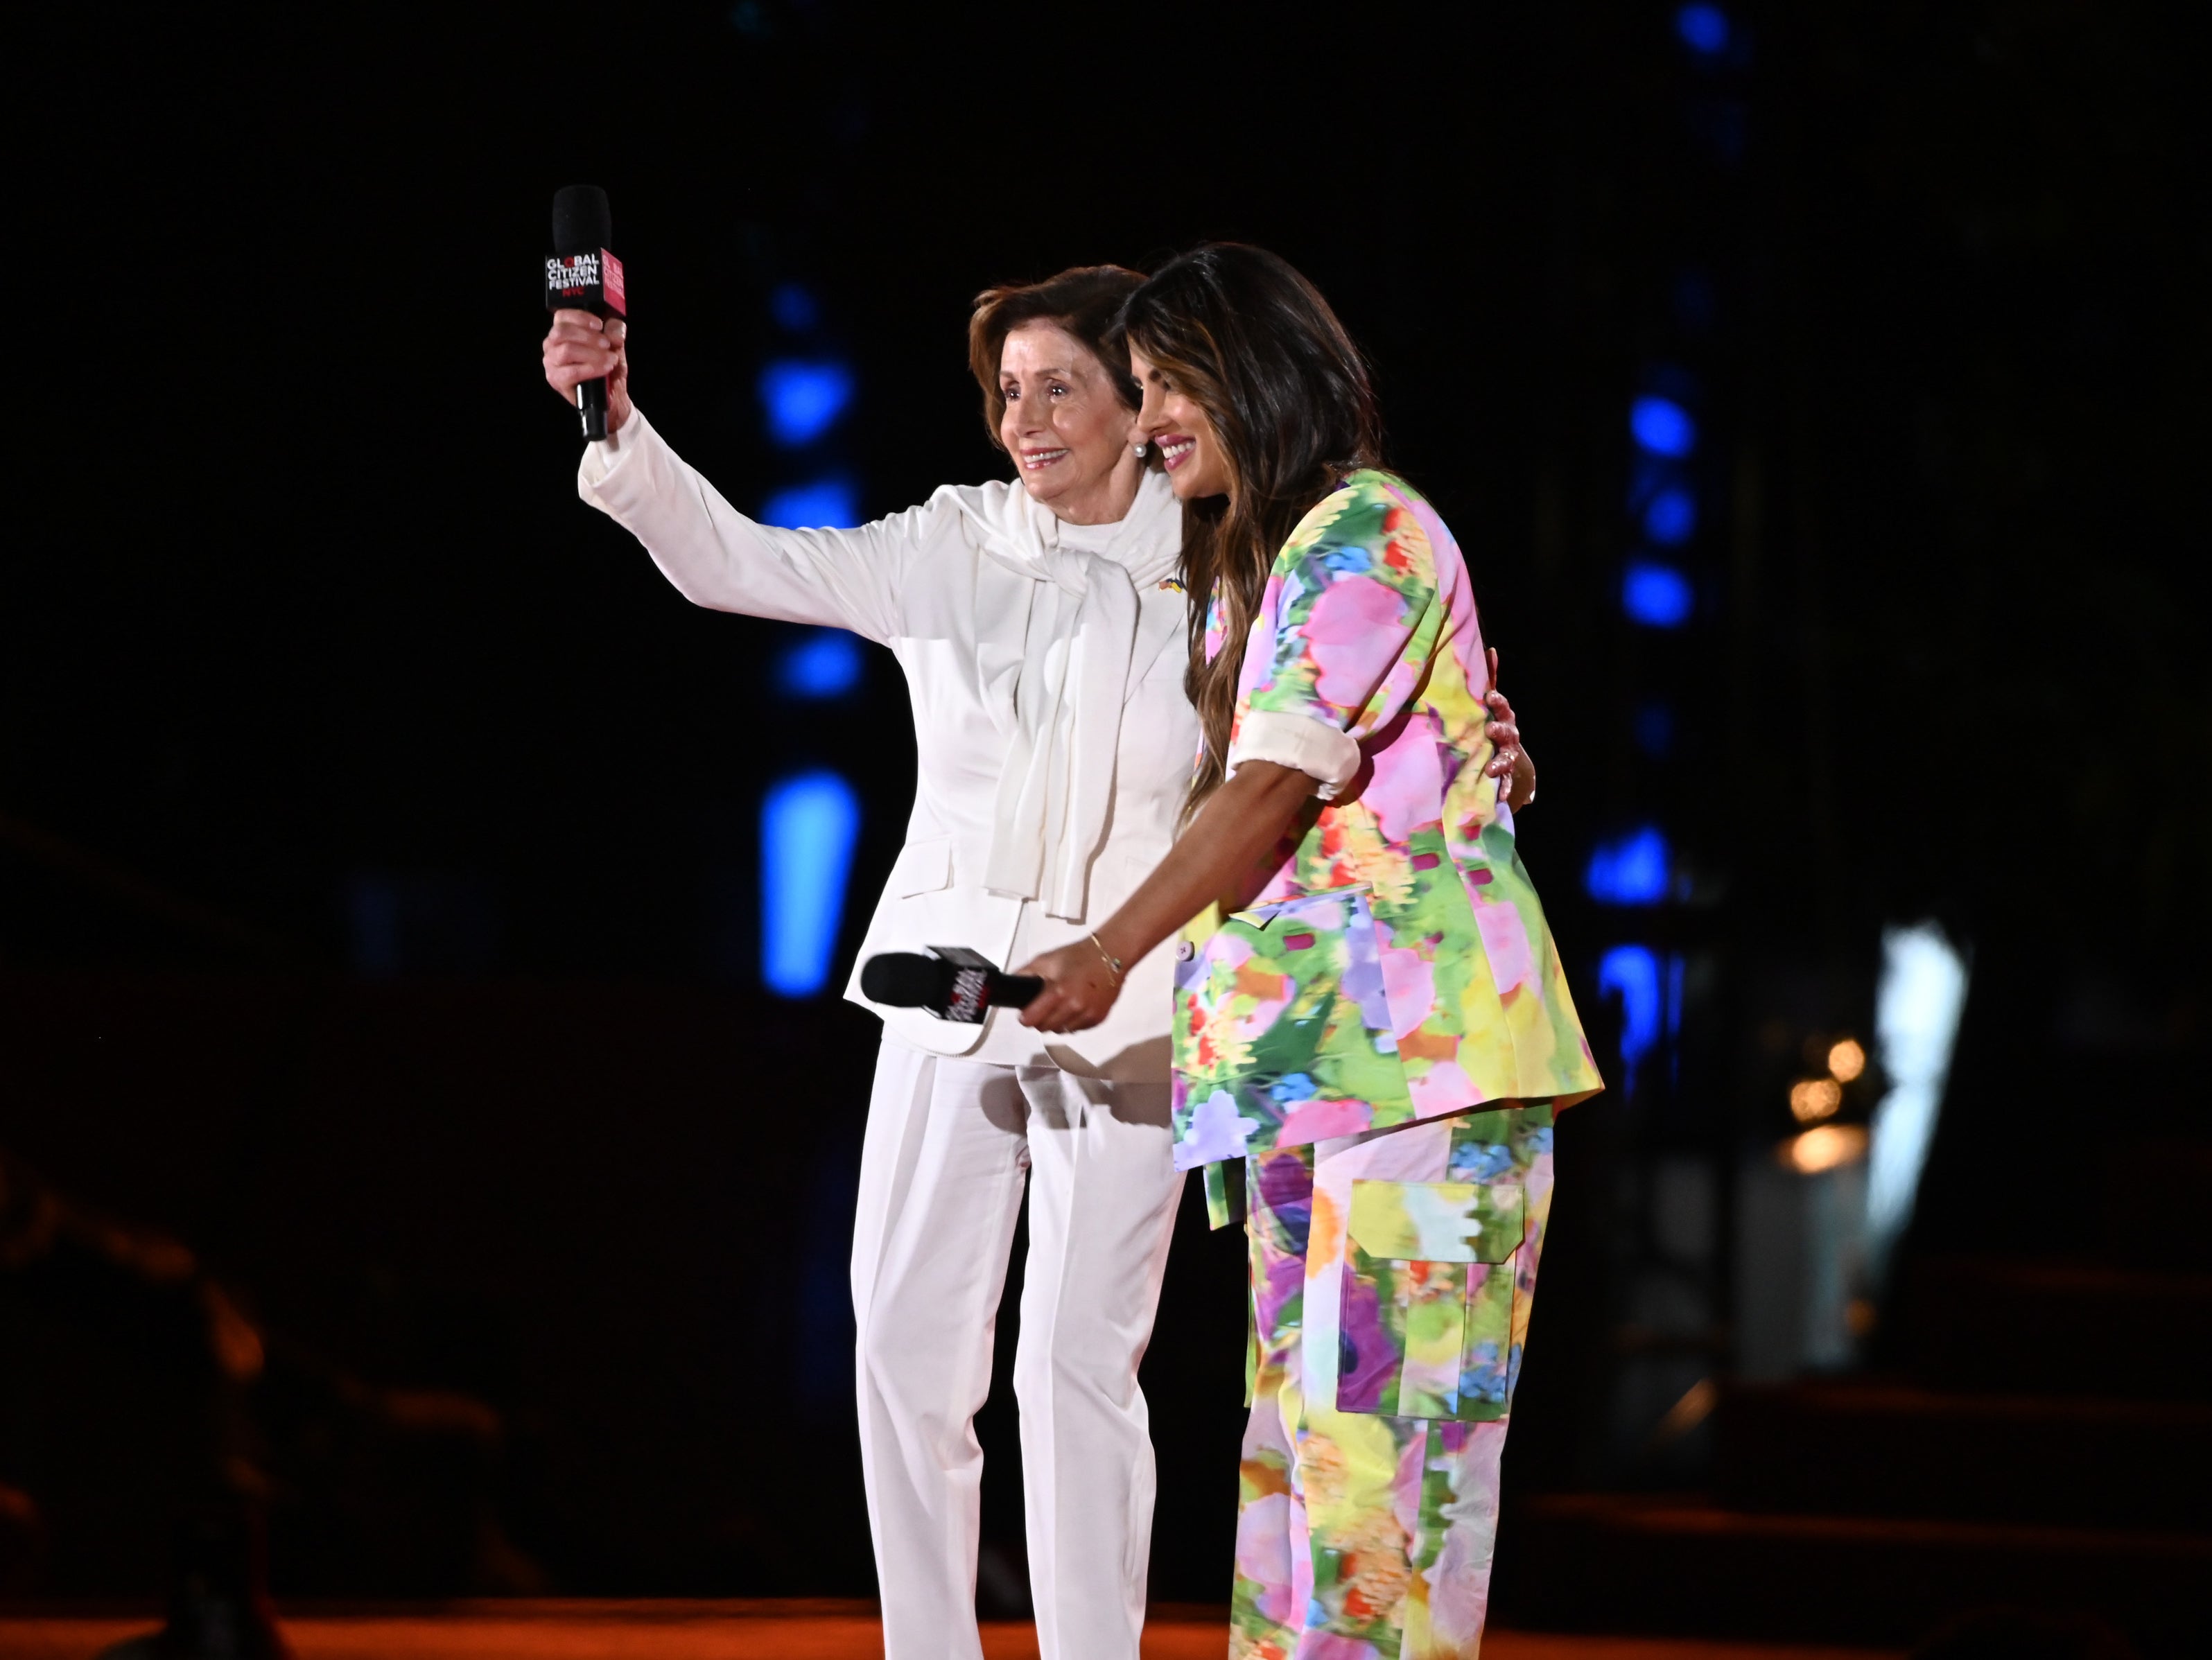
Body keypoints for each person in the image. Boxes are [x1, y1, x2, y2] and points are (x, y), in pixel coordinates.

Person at [544, 263, 1538, 1659]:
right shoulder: (950, 542)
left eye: (1059, 384)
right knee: (901, 1341)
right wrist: (617, 429)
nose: (1023, 416)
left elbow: (1341, 728)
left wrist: (1485, 732)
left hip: (1139, 1007)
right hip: (950, 991)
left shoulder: (1230, 561)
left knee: (1081, 1360)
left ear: (1142, 404)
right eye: (1006, 390)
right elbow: (736, 560)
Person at [1017, 244, 1602, 1660]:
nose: (1153, 417)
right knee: (1293, 1465)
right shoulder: (1253, 567)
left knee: (1379, 1483)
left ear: (1255, 370)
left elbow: (1275, 781)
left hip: (1426, 1071)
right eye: (1143, 387)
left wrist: (1104, 954)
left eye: (1168, 384)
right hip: (1305, 1080)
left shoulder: (1367, 533)